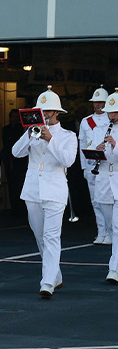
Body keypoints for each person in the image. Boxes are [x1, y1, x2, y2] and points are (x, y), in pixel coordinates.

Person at [12, 86, 77, 299]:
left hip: (55, 190)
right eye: (41, 111)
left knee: (51, 236)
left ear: (57, 113)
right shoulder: (32, 131)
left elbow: (67, 161)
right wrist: (30, 134)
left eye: (48, 111)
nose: (44, 115)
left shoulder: (68, 136)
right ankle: (55, 274)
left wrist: (50, 139)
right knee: (40, 236)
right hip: (32, 190)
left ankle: (47, 282)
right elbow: (16, 152)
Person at [78, 85, 111, 245]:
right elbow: (82, 144)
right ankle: (101, 231)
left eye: (100, 102)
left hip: (107, 166)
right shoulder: (86, 122)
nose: (97, 105)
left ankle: (111, 232)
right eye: (95, 102)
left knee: (108, 201)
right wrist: (84, 166)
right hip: (91, 165)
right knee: (95, 201)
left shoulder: (112, 119)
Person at [92, 89, 118, 283]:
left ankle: (114, 269)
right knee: (111, 226)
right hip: (103, 179)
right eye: (110, 112)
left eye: (115, 112)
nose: (112, 116)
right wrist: (97, 150)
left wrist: (115, 145)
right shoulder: (98, 128)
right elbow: (89, 151)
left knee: (117, 227)